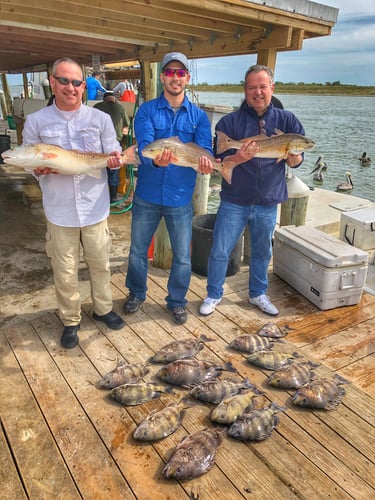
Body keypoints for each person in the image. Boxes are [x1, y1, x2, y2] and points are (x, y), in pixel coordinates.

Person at [22, 57, 125, 349]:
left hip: (95, 207)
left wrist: (117, 159)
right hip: (59, 210)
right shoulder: (36, 121)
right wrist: (35, 169)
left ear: (84, 86)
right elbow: (30, 160)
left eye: (77, 82)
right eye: (64, 81)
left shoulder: (100, 119)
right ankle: (70, 320)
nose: (71, 87)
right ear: (53, 82)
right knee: (64, 269)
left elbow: (112, 150)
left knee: (100, 263)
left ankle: (103, 309)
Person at [199, 64, 306, 317]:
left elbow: (297, 160)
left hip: (268, 202)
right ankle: (214, 293)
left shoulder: (288, 120)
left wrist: (292, 158)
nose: (258, 92)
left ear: (272, 88)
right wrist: (239, 157)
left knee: (262, 251)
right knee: (221, 250)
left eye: (262, 86)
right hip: (234, 200)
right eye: (252, 87)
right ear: (245, 90)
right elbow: (220, 162)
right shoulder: (229, 122)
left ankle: (258, 293)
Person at [122, 51, 214, 325]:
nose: (175, 77)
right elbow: (145, 146)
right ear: (162, 76)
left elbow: (205, 150)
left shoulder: (199, 117)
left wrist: (207, 163)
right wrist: (159, 163)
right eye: (170, 72)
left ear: (187, 77)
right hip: (147, 195)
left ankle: (176, 301)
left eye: (180, 73)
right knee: (138, 250)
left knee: (183, 255)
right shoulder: (147, 110)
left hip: (180, 197)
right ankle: (136, 293)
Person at [94, 91, 130, 203]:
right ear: (114, 99)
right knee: (113, 172)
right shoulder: (120, 108)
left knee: (97, 173)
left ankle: (99, 199)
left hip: (97, 146)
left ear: (104, 99)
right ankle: (113, 198)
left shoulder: (96, 107)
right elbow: (126, 124)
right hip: (114, 144)